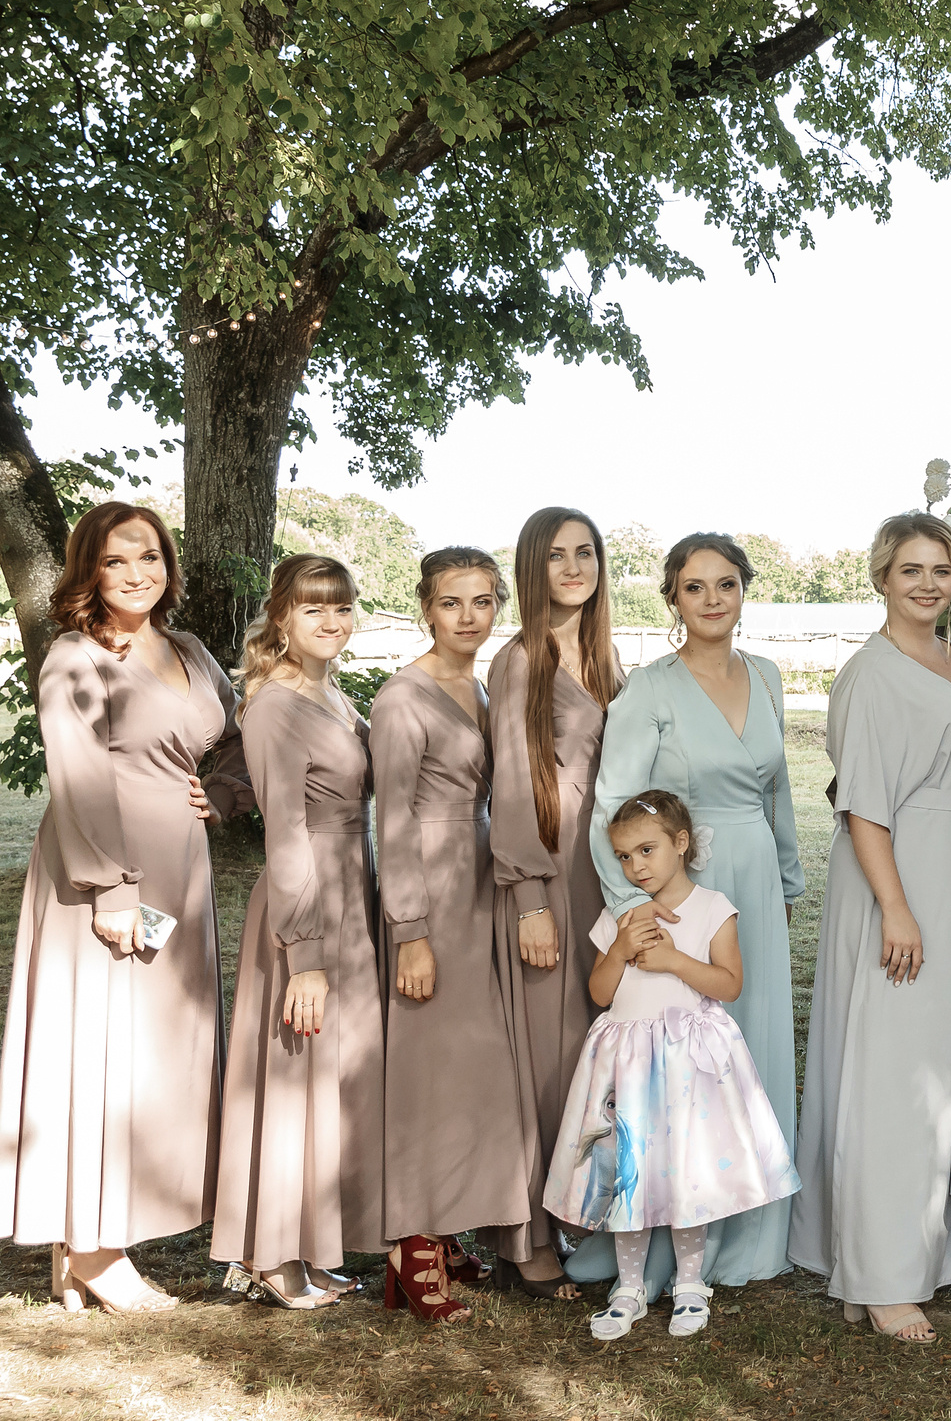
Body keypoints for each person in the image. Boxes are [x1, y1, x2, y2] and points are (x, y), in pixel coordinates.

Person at [0, 502, 252, 1313]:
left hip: (183, 872)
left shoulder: (192, 650)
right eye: (115, 561)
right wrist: (112, 890)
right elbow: (79, 777)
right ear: (87, 572)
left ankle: (96, 1238)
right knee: (102, 1051)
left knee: (158, 1052)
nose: (137, 573)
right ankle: (95, 1252)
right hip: (106, 876)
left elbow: (235, 738)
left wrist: (230, 792)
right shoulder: (75, 657)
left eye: (150, 556)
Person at [788, 514, 951, 1341]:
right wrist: (898, 907)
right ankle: (876, 1271)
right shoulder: (870, 674)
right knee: (888, 1069)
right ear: (881, 577)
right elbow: (862, 804)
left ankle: (931, 1249)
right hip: (897, 877)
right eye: (910, 569)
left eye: (941, 569)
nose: (927, 583)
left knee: (937, 1072)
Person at [585, 533, 801, 1290]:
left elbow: (776, 795)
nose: (713, 598)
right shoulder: (649, 687)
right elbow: (613, 802)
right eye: (695, 586)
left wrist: (786, 878)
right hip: (677, 890)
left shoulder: (769, 676)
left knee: (754, 1039)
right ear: (673, 599)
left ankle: (750, 1225)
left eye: (727, 584)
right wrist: (630, 909)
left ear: (744, 592)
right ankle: (666, 1229)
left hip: (753, 892)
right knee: (677, 1058)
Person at [546, 790, 797, 1341]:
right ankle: (629, 1286)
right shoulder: (619, 918)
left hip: (688, 1070)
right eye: (625, 857)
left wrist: (675, 961)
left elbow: (729, 985)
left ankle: (689, 1282)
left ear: (680, 844)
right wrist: (618, 950)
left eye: (647, 850)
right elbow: (600, 991)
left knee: (688, 1172)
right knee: (630, 1173)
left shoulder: (713, 908)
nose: (636, 866)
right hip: (629, 1067)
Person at [212, 554, 381, 1310]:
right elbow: (284, 832)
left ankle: (309, 1245)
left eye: (341, 606)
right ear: (280, 616)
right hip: (303, 905)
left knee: (325, 1081)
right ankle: (267, 1255)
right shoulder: (278, 704)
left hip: (350, 893)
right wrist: (304, 956)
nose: (330, 621)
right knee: (289, 1079)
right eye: (313, 607)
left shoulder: (332, 694)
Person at [372, 547, 536, 1323]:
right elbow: (393, 820)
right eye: (451, 602)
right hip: (430, 891)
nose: (469, 616)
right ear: (425, 608)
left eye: (483, 600)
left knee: (469, 1068)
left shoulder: (476, 682)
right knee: (424, 1073)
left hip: (477, 883)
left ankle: (443, 1224)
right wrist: (410, 931)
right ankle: (410, 1242)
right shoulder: (401, 698)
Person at [488, 507, 624, 1302]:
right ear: (533, 567)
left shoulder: (605, 657)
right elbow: (512, 781)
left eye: (587, 552)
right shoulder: (520, 661)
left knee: (591, 1053)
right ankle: (525, 1242)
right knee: (542, 1059)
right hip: (545, 875)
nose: (574, 566)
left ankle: (583, 1216)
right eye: (558, 555)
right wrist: (530, 895)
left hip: (602, 876)